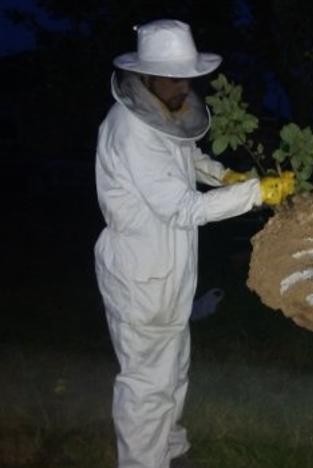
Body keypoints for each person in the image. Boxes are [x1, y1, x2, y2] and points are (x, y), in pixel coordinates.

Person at [94, 19, 293, 468]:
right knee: (146, 383)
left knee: (174, 370)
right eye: (174, 76)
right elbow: (183, 208)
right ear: (146, 76)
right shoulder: (129, 131)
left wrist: (224, 175)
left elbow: (187, 156)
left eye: (187, 75)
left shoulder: (163, 112)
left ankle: (170, 449)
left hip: (168, 270)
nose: (184, 83)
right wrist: (256, 192)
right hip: (138, 273)